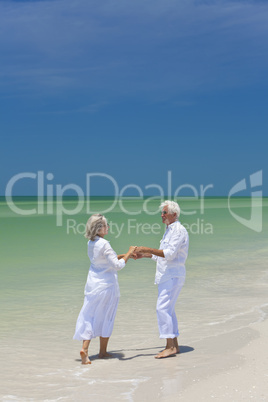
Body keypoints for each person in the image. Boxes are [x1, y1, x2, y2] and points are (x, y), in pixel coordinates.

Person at [73, 214, 135, 364]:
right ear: (99, 228)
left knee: (90, 316)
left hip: (93, 285)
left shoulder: (91, 243)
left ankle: (85, 350)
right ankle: (102, 352)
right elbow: (117, 265)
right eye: (106, 225)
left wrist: (126, 255)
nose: (108, 227)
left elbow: (105, 259)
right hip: (107, 286)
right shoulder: (105, 244)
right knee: (107, 316)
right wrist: (130, 252)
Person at [134, 200, 189, 359]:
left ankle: (170, 346)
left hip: (173, 275)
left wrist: (146, 248)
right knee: (168, 309)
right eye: (162, 212)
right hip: (168, 274)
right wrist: (144, 255)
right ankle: (175, 345)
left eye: (165, 212)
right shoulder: (169, 230)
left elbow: (169, 254)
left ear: (174, 214)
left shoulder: (178, 230)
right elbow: (163, 256)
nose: (162, 215)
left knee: (162, 308)